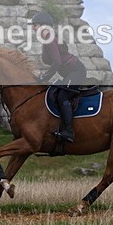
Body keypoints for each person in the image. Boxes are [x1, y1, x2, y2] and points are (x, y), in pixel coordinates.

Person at [31, 11, 86, 143]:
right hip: (68, 73)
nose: (33, 28)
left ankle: (68, 131)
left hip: (76, 71)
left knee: (62, 96)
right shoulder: (47, 39)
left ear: (44, 25)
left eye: (35, 25)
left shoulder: (49, 38)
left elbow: (57, 63)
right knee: (55, 93)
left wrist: (44, 77)